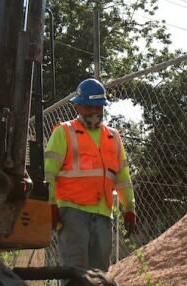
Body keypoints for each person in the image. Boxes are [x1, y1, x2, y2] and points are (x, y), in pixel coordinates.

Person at [44, 78, 137, 276]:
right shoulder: (64, 132)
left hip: (103, 214)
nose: (93, 112)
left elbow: (122, 178)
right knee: (74, 272)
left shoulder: (113, 137)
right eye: (88, 106)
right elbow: (48, 173)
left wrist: (129, 208)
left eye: (97, 107)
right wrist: (50, 204)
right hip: (71, 213)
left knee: (99, 274)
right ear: (78, 106)